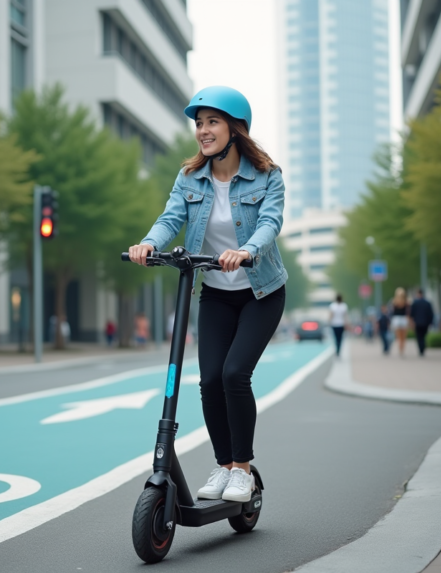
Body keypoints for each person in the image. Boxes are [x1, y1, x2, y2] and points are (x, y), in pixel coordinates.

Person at [128, 86, 286, 503]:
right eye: (199, 123)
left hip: (261, 292)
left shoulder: (268, 176)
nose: (203, 130)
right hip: (215, 292)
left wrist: (247, 250)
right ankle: (224, 465)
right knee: (210, 379)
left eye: (212, 122)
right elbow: (170, 218)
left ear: (235, 129)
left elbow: (270, 223)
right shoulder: (189, 178)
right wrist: (148, 243)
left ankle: (243, 470)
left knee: (235, 374)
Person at [410, 289, 434, 357]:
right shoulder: (427, 303)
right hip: (425, 323)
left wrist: (412, 322)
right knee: (424, 336)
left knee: (419, 337)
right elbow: (431, 314)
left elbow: (412, 314)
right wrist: (430, 322)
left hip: (417, 323)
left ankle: (421, 349)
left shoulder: (415, 303)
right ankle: (423, 348)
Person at [390, 287, 409, 357]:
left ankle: (400, 350)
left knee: (399, 338)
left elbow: (391, 312)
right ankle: (402, 350)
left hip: (396, 319)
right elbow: (408, 312)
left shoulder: (394, 301)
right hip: (403, 319)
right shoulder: (406, 301)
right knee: (403, 338)